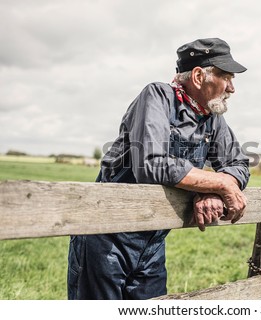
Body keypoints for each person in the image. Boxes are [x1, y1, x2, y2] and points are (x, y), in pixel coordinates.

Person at [67, 38, 250, 300]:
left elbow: (239, 164)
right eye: (226, 77)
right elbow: (151, 163)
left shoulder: (212, 119)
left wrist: (211, 191)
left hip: (153, 242)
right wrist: (220, 184)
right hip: (106, 236)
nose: (232, 88)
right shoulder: (157, 97)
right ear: (198, 76)